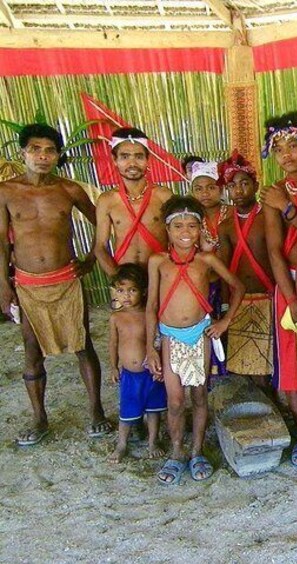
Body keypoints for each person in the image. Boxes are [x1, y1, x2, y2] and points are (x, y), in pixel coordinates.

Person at [0, 123, 111, 446]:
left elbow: (102, 224)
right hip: (27, 283)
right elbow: (1, 244)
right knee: (32, 352)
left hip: (67, 280)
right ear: (23, 152)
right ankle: (39, 418)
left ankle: (96, 413)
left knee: (82, 345)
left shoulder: (69, 190)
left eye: (50, 150)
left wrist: (91, 259)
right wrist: (4, 287)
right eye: (36, 149)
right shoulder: (6, 191)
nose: (43, 156)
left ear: (58, 155)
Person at [147, 195, 245, 485]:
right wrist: (149, 348)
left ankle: (197, 451)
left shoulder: (207, 260)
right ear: (167, 230)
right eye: (178, 226)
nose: (185, 232)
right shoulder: (158, 262)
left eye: (192, 225)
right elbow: (152, 305)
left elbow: (237, 287)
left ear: (201, 228)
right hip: (169, 337)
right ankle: (177, 452)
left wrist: (224, 321)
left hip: (199, 335)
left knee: (199, 395)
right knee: (175, 401)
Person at [258, 111, 297, 468]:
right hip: (290, 283)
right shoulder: (274, 192)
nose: (287, 154)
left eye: (293, 144)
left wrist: (287, 210)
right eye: (278, 148)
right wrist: (294, 297)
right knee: (291, 363)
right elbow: (273, 250)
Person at [217, 153, 296, 398]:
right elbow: (224, 268)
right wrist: (223, 305)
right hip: (241, 300)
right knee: (248, 362)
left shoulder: (268, 218)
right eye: (232, 185)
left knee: (271, 359)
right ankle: (264, 408)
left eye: (244, 183)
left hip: (268, 295)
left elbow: (278, 254)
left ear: (255, 185)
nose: (238, 190)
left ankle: (275, 405)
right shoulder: (226, 226)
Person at [94, 127, 173, 279]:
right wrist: (118, 279)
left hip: (161, 275)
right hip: (124, 278)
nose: (132, 163)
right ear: (114, 160)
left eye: (139, 156)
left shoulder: (163, 196)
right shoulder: (106, 200)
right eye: (124, 157)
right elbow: (100, 246)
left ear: (148, 159)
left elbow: (177, 238)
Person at [107, 263, 166, 462]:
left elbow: (158, 341)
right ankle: (121, 444)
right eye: (121, 291)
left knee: (153, 410)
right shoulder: (116, 318)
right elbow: (113, 343)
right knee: (127, 410)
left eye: (132, 290)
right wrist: (114, 367)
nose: (126, 296)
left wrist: (161, 367)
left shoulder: (149, 316)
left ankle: (152, 442)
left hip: (150, 373)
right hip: (129, 375)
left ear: (143, 291)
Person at [184, 156, 230, 378]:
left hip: (231, 282)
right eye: (198, 188)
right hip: (205, 286)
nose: (205, 193)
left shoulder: (231, 214)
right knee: (209, 331)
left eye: (211, 187)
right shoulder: (189, 219)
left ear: (221, 189)